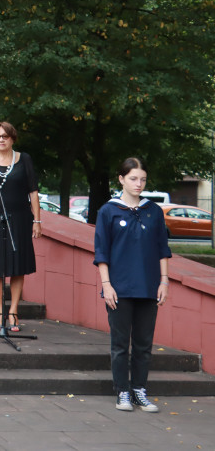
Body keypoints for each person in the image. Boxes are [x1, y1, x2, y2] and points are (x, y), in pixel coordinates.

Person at [94, 157, 171, 413]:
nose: (139, 184)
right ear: (121, 179)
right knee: (119, 344)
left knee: (143, 344)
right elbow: (101, 252)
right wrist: (107, 285)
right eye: (133, 179)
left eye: (143, 179)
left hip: (148, 287)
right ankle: (122, 392)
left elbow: (163, 249)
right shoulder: (109, 211)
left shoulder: (153, 211)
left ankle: (139, 390)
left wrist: (164, 281)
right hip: (119, 288)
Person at [0, 121, 42, 332]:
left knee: (17, 266)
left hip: (20, 219)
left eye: (5, 136)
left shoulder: (24, 159)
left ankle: (13, 311)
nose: (1, 140)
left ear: (13, 138)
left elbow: (33, 192)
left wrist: (37, 221)